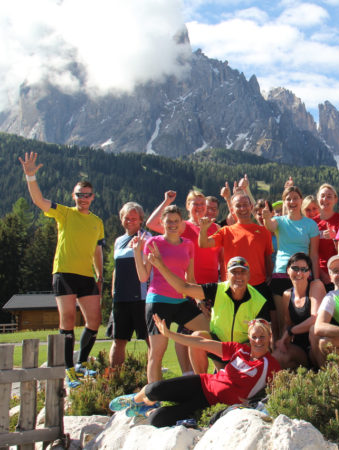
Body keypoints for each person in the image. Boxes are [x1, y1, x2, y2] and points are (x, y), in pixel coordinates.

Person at [19, 152, 104, 388]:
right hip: (64, 273)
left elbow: (98, 250)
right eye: (79, 195)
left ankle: (82, 364)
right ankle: (69, 370)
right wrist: (30, 177)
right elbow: (39, 200)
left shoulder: (97, 222)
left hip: (87, 276)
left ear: (93, 197)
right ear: (73, 196)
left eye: (87, 195)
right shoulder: (65, 213)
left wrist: (101, 275)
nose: (83, 198)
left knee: (94, 321)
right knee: (67, 319)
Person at [109, 316, 280, 427]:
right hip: (202, 383)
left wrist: (250, 404)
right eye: (254, 337)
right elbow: (201, 343)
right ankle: (135, 400)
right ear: (249, 338)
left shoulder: (271, 365)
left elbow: (273, 393)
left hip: (210, 402)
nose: (258, 341)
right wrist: (170, 334)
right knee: (154, 389)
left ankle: (146, 409)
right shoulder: (239, 349)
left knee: (157, 419)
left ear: (269, 337)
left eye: (262, 337)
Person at [147, 247, 274, 373]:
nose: (238, 276)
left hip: (242, 349)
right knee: (197, 336)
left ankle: (229, 371)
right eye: (234, 272)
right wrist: (161, 266)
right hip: (218, 345)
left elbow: (265, 337)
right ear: (227, 274)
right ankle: (202, 381)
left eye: (242, 272)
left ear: (249, 275)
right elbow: (183, 288)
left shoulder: (259, 301)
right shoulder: (217, 289)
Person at [146, 190, 221, 375]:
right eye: (194, 203)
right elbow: (152, 223)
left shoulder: (214, 227)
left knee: (211, 332)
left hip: (207, 288)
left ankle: (215, 374)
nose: (199, 207)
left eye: (202, 204)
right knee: (183, 334)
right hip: (181, 289)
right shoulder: (181, 226)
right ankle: (186, 373)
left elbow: (221, 255)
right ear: (187, 206)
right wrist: (166, 201)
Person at [133, 205, 205, 383]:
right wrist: (136, 252)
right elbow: (143, 276)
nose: (172, 224)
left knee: (210, 331)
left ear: (181, 223)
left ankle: (203, 382)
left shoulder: (188, 245)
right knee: (157, 353)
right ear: (162, 223)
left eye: (176, 221)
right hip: (158, 301)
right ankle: (154, 397)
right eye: (169, 221)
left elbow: (191, 278)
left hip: (180, 301)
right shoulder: (153, 243)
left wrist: (199, 301)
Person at [200, 192, 276, 334]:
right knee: (232, 330)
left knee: (261, 330)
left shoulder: (263, 232)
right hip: (232, 289)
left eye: (245, 205)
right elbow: (203, 243)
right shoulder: (226, 231)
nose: (242, 208)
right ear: (232, 210)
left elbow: (267, 258)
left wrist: (269, 277)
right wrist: (203, 230)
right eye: (238, 206)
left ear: (251, 206)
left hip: (257, 287)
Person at [262, 186, 320, 337]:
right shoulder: (279, 221)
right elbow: (270, 226)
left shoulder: (310, 225)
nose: (292, 201)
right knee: (283, 322)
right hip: (282, 273)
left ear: (301, 200)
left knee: (302, 319)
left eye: (295, 198)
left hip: (303, 274)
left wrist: (316, 279)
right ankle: (281, 356)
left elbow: (314, 254)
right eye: (288, 199)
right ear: (284, 202)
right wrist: (267, 218)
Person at [108, 202, 150, 368]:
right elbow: (115, 269)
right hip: (121, 298)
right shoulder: (118, 241)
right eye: (127, 218)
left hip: (142, 298)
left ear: (141, 220)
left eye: (134, 218)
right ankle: (116, 379)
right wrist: (113, 290)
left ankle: (153, 379)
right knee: (118, 340)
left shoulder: (146, 238)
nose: (130, 221)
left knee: (150, 339)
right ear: (121, 219)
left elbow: (149, 267)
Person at [272, 253, 326, 369]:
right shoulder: (287, 294)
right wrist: (282, 341)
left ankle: (325, 378)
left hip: (318, 344)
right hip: (300, 347)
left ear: (309, 272)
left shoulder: (316, 285)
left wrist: (291, 331)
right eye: (295, 268)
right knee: (277, 357)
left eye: (304, 269)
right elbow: (288, 323)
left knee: (314, 330)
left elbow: (315, 318)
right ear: (287, 270)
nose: (299, 273)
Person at [314, 184, 339, 290]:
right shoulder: (312, 223)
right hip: (318, 274)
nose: (325, 199)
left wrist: (335, 238)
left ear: (335, 200)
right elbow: (310, 252)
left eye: (329, 196)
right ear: (318, 198)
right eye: (322, 196)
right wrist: (322, 274)